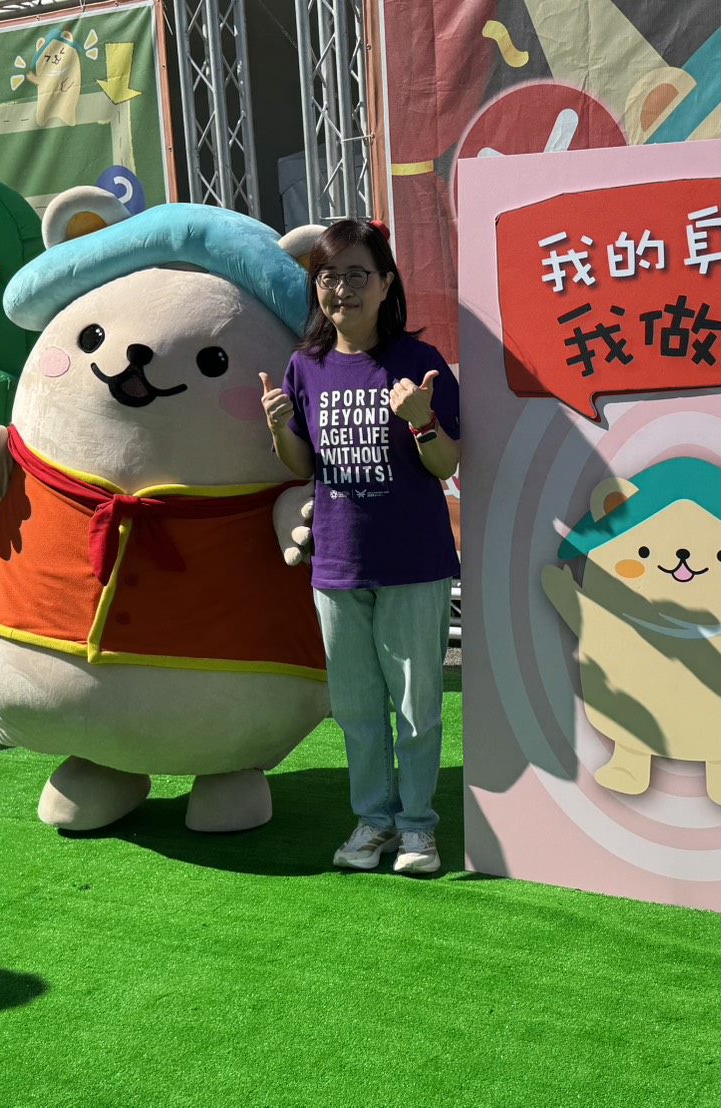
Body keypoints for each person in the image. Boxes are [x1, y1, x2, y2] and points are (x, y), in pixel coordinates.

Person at [260, 218, 460, 876]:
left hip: (414, 564)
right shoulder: (305, 366)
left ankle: (417, 829)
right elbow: (303, 465)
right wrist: (280, 428)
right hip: (337, 564)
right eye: (328, 276)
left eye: (356, 275)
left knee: (417, 708)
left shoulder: (419, 364)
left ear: (385, 285)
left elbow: (446, 463)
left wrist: (421, 422)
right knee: (355, 709)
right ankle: (373, 821)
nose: (341, 288)